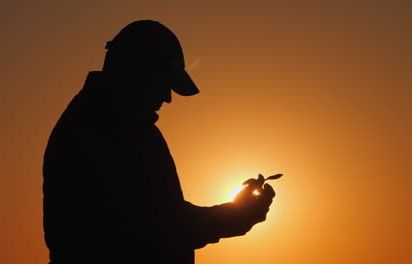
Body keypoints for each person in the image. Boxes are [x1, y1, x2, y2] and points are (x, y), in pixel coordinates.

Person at [43, 20, 275, 264]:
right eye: (163, 83)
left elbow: (161, 218)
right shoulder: (96, 129)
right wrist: (235, 216)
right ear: (137, 72)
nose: (167, 98)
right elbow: (154, 227)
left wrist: (236, 214)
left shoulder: (123, 126)